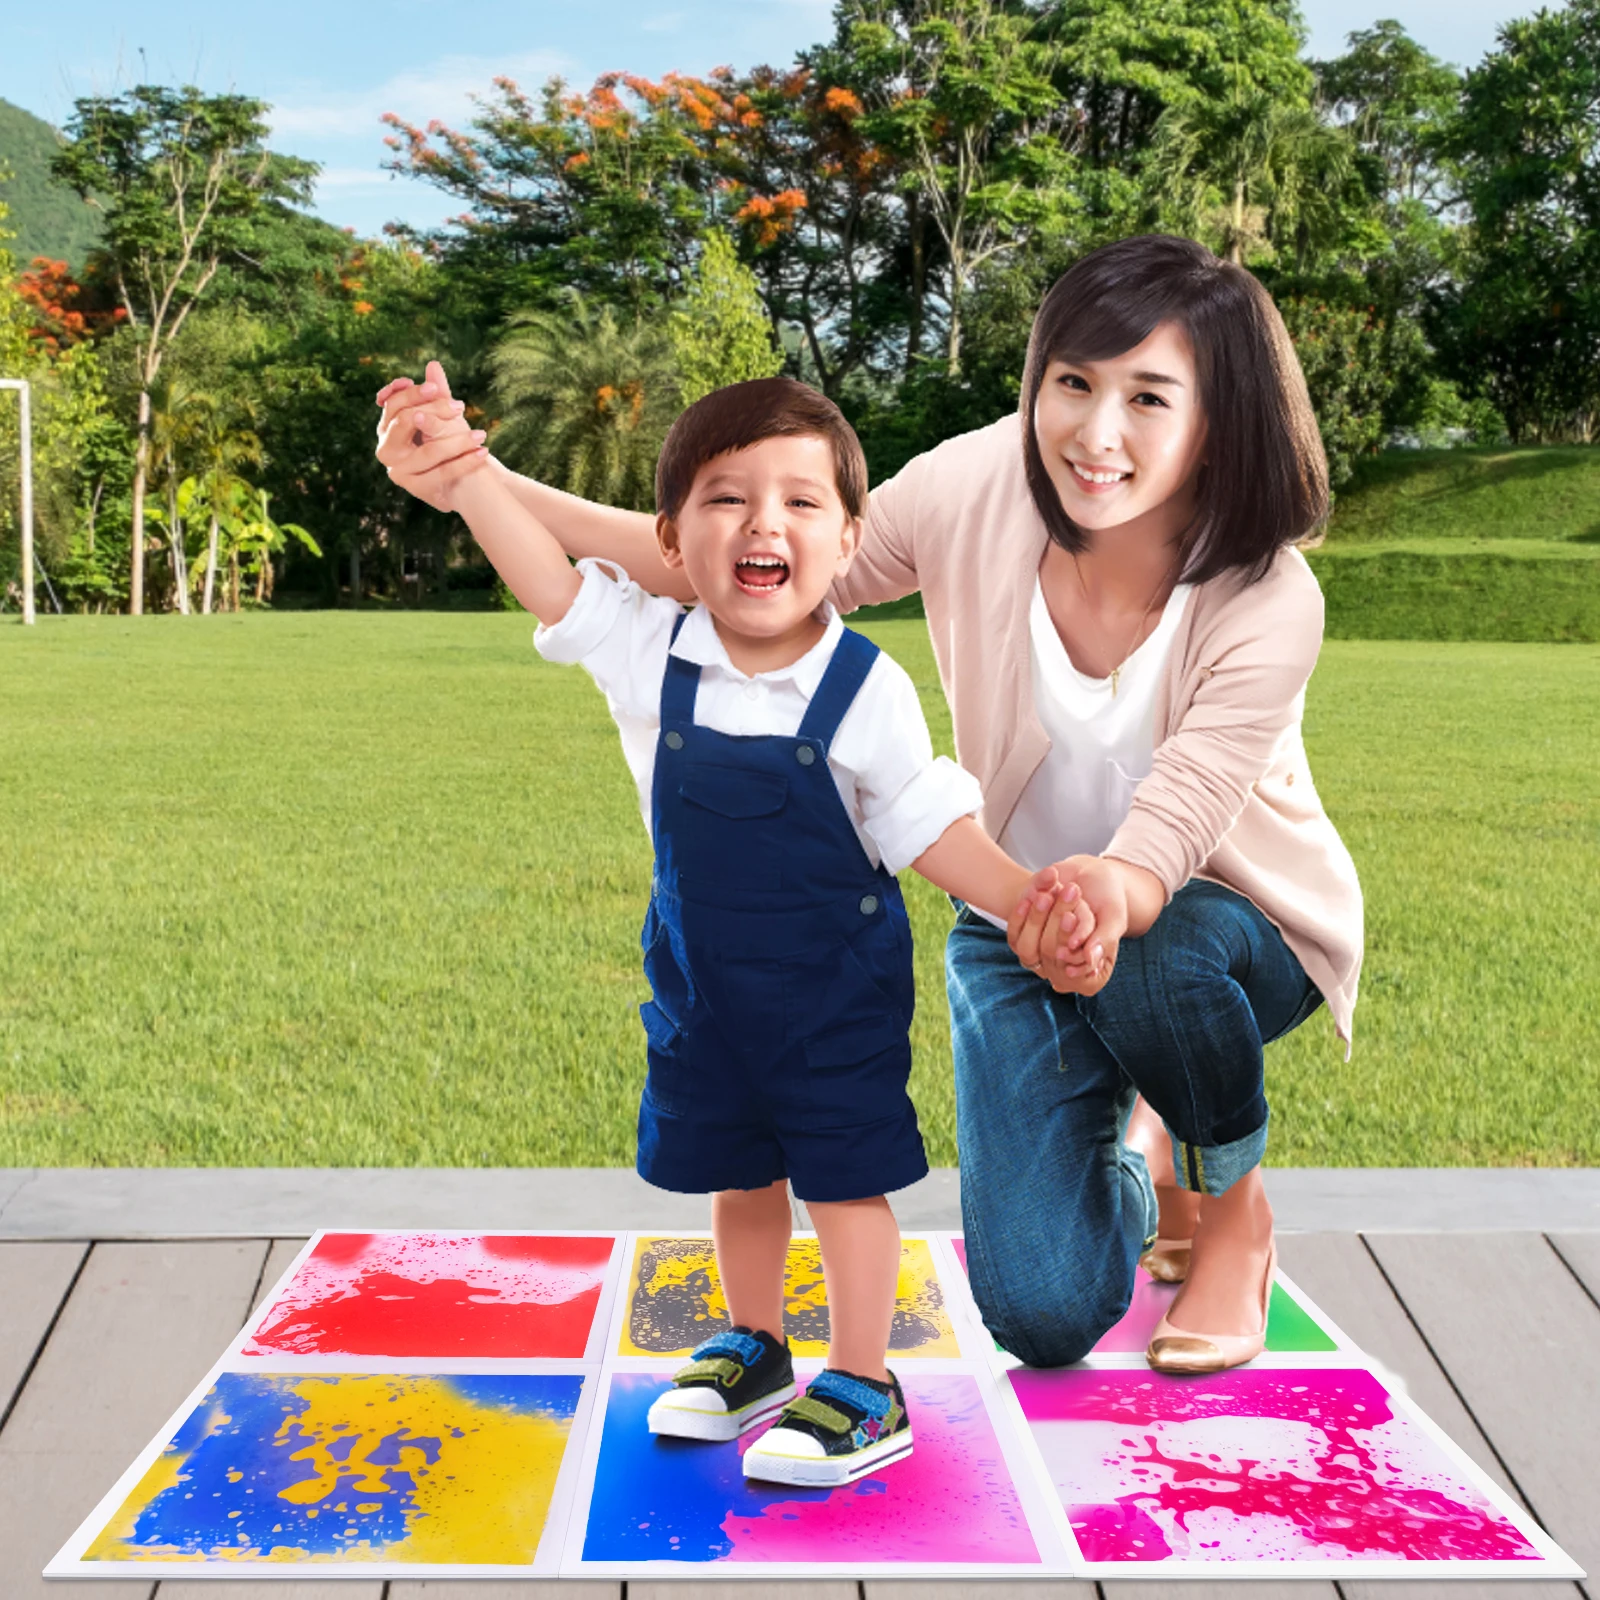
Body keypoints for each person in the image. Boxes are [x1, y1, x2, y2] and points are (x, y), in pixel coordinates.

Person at [375, 233, 1363, 1378]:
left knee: (1158, 956)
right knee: (1043, 1313)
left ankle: (1232, 1207)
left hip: (1222, 923)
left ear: (1218, 419)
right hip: (1016, 917)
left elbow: (1179, 815)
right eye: (1072, 383)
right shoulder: (977, 484)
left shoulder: (1268, 595)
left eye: (1148, 397)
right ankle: (1143, 1152)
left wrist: (1104, 891)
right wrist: (474, 479)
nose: (1096, 434)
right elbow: (763, 568)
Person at [409, 373, 1090, 1484]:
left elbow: (926, 823)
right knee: (739, 1171)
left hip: (832, 995)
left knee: (842, 1182)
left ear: (848, 540)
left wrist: (1027, 903)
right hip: (705, 990)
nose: (763, 523)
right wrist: (468, 472)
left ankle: (864, 1382)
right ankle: (756, 1345)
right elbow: (550, 583)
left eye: (800, 502)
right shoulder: (651, 652)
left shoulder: (865, 687)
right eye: (726, 498)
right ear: (671, 540)